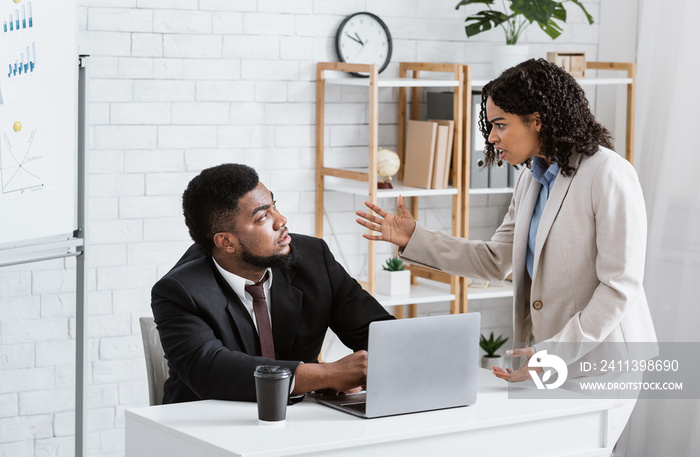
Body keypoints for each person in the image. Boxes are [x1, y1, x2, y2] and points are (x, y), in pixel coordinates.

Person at [356, 58, 656, 445]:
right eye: (491, 126)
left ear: (538, 119)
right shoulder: (531, 180)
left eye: (500, 125)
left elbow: (619, 287)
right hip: (548, 361)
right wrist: (415, 238)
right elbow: (497, 260)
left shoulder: (608, 173)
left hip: (603, 364)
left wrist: (551, 354)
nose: (492, 138)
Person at [152, 163, 393, 404]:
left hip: (300, 422)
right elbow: (211, 370)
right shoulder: (179, 290)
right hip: (206, 425)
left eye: (274, 206)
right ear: (226, 242)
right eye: (263, 216)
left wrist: (358, 374)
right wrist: (325, 375)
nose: (281, 220)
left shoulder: (314, 258)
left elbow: (379, 333)